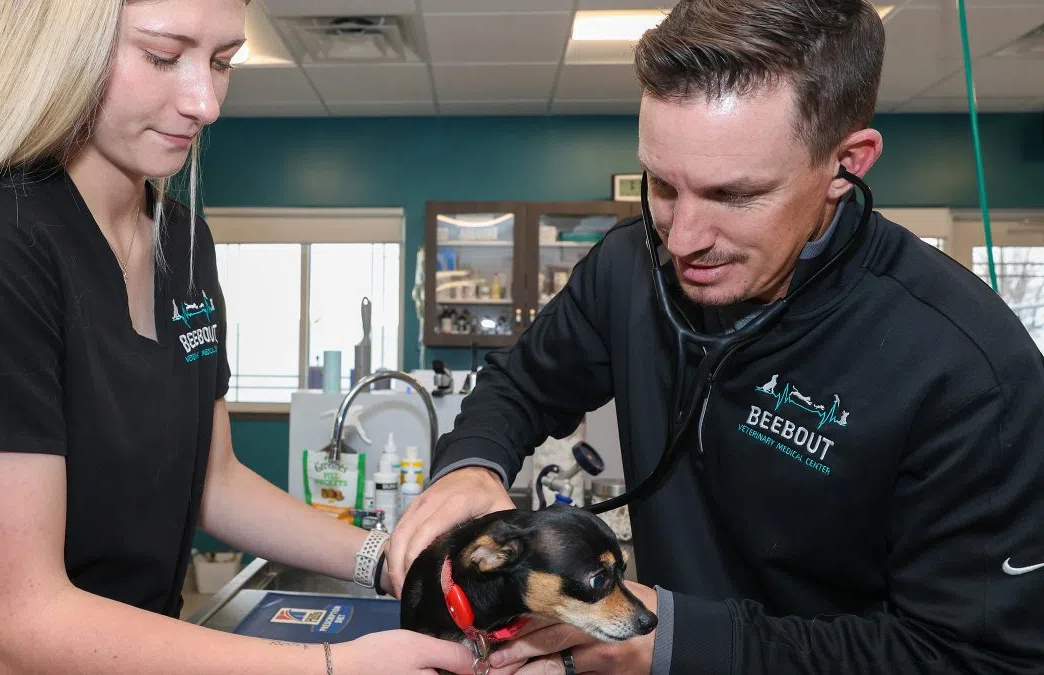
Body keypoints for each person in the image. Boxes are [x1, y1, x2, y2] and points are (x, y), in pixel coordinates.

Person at [386, 0, 1044, 673]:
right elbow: (522, 385)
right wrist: (472, 462)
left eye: (734, 195)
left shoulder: (968, 370)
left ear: (846, 164)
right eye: (663, 184)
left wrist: (680, 644)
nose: (683, 239)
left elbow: (974, 658)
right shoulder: (625, 268)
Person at [0, 2, 478, 673]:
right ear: (53, 51)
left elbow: (215, 479)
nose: (205, 103)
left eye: (223, 61)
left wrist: (381, 558)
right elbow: (11, 625)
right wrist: (328, 666)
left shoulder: (180, 237)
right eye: (162, 55)